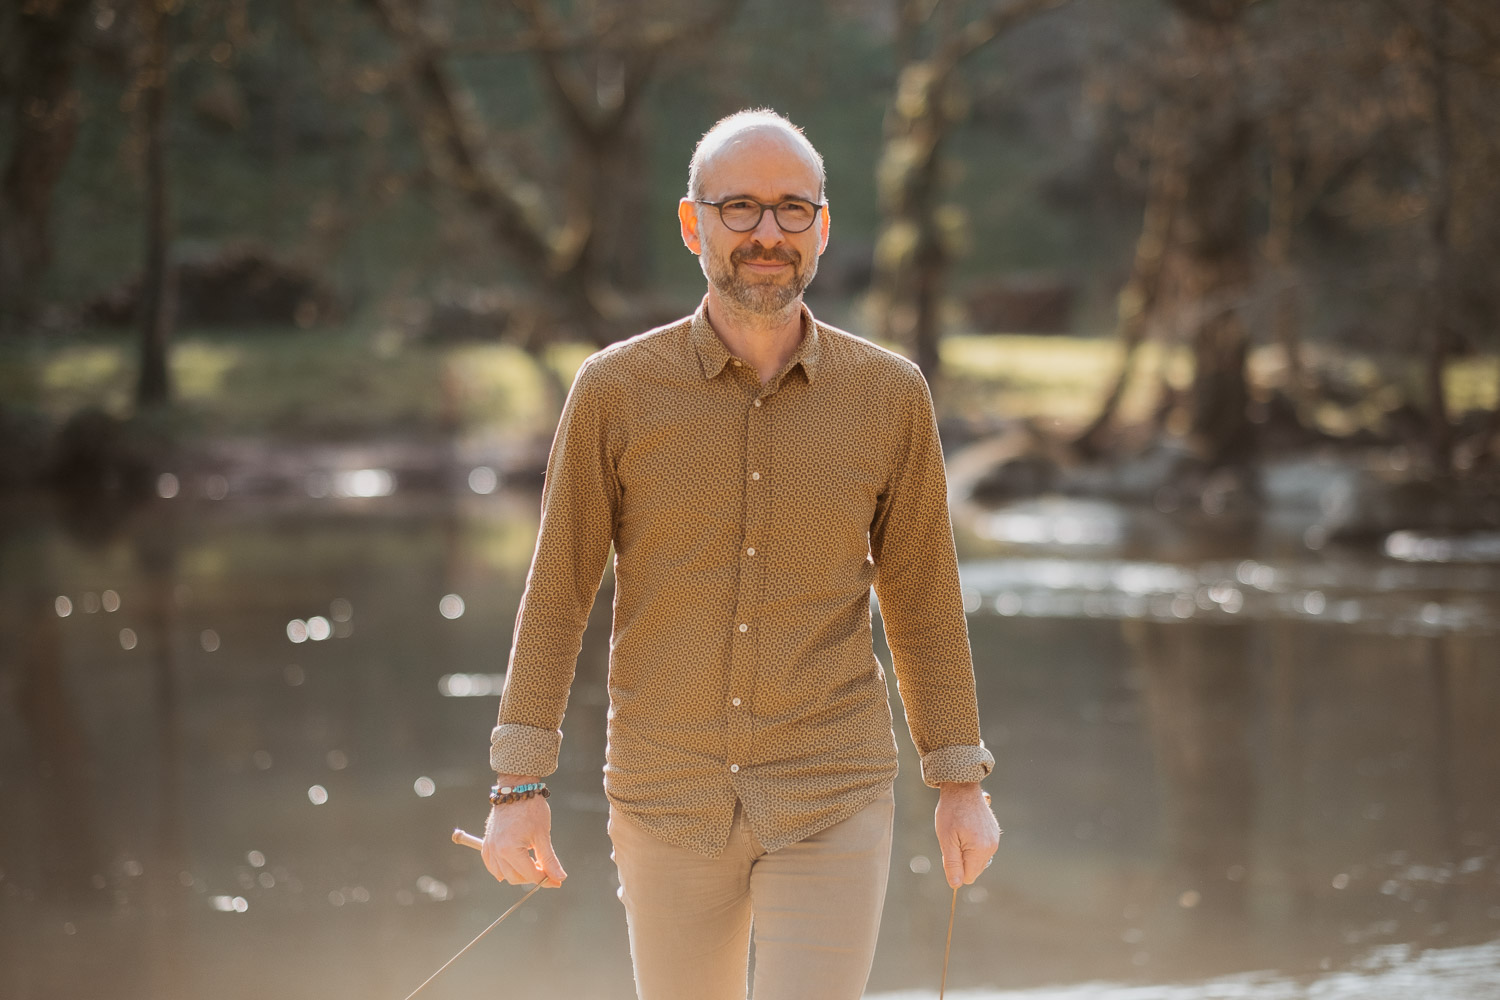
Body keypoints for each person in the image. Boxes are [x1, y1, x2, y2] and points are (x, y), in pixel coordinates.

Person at [481, 108, 1000, 1000]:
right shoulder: (614, 391)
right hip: (664, 793)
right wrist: (517, 781)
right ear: (693, 224)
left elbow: (921, 596)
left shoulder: (889, 394)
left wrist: (959, 778)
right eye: (741, 208)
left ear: (824, 228)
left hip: (832, 787)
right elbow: (559, 589)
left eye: (793, 210)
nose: (768, 233)